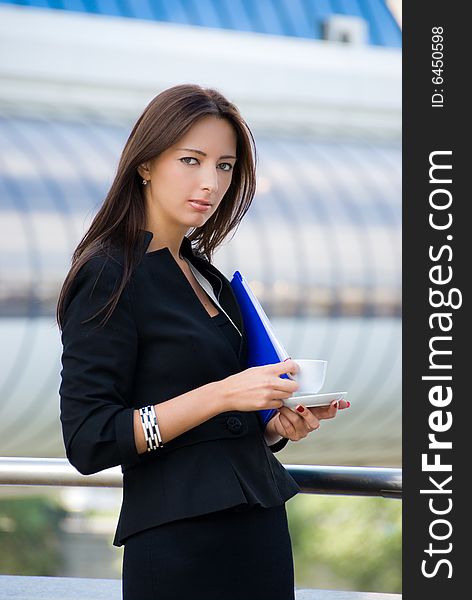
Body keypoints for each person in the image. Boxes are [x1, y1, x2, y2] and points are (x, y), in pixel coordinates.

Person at [57, 83, 349, 600]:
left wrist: (273, 427)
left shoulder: (206, 275)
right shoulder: (109, 274)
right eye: (191, 160)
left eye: (224, 166)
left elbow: (216, 431)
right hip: (179, 549)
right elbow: (89, 438)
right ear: (145, 164)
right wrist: (224, 393)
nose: (210, 182)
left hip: (258, 533)